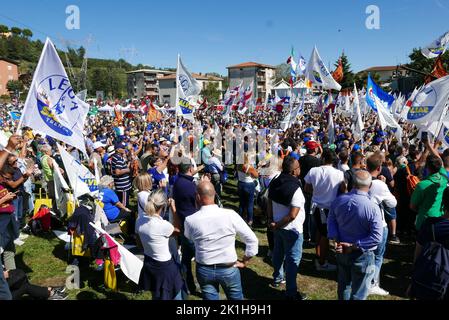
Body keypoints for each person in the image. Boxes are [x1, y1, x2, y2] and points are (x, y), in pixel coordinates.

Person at [184, 181, 258, 300]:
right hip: (228, 268)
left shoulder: (190, 220)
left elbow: (189, 237)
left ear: (197, 196)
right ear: (215, 194)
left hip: (204, 269)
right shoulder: (230, 215)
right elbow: (252, 240)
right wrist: (245, 260)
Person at [328, 170, 383, 300]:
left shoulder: (338, 200)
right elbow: (377, 237)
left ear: (352, 184)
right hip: (361, 254)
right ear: (369, 186)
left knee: (344, 286)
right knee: (359, 293)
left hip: (342, 251)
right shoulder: (372, 207)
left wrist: (336, 239)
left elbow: (331, 221)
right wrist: (354, 246)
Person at [268, 156, 307, 300]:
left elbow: (269, 201)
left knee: (278, 253)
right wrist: (275, 224)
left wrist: (272, 221)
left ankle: (277, 278)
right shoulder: (295, 188)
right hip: (292, 229)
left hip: (278, 226)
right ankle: (291, 292)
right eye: (298, 167)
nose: (300, 169)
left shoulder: (275, 181)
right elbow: (292, 215)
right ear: (293, 171)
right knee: (292, 261)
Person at [136, 189, 184, 300]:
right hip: (165, 267)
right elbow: (178, 230)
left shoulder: (139, 220)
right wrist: (173, 207)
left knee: (156, 294)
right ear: (163, 206)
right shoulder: (163, 225)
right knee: (176, 296)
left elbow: (139, 244)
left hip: (149, 263)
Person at [304, 148, 344, 271]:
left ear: (323, 158)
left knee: (320, 233)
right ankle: (322, 262)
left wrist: (317, 192)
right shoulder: (339, 173)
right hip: (327, 208)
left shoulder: (314, 171)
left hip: (316, 206)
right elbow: (343, 190)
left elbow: (307, 188)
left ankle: (319, 257)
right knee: (325, 235)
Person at [366, 153, 397, 296]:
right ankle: (372, 283)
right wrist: (383, 185)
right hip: (378, 223)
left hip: (362, 221)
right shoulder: (379, 184)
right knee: (378, 255)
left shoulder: (360, 178)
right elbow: (392, 203)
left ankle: (366, 279)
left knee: (367, 253)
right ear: (379, 168)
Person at [411, 186, 449, 299]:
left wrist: (413, 282)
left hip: (430, 281)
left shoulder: (430, 224)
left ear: (443, 202)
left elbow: (417, 255)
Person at [172, 159, 199, 295]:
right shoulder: (190, 185)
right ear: (190, 169)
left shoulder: (178, 181)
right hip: (192, 226)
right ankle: (195, 284)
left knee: (186, 257)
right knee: (199, 256)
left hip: (183, 224)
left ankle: (187, 283)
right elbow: (199, 202)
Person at [411, 154, 448, 231]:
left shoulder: (422, 185)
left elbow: (412, 206)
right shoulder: (444, 179)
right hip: (440, 219)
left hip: (425, 221)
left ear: (427, 167)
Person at [236, 154, 259, 226]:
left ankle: (240, 219)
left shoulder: (238, 165)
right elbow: (256, 175)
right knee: (250, 204)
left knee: (242, 203)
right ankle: (249, 221)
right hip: (248, 185)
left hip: (241, 184)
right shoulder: (249, 167)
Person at [111, 142, 132, 207]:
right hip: (123, 186)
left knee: (121, 199)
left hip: (120, 184)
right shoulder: (119, 158)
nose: (124, 149)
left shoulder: (115, 156)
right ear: (117, 150)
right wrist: (127, 170)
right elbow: (118, 172)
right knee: (124, 204)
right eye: (123, 148)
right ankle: (125, 213)